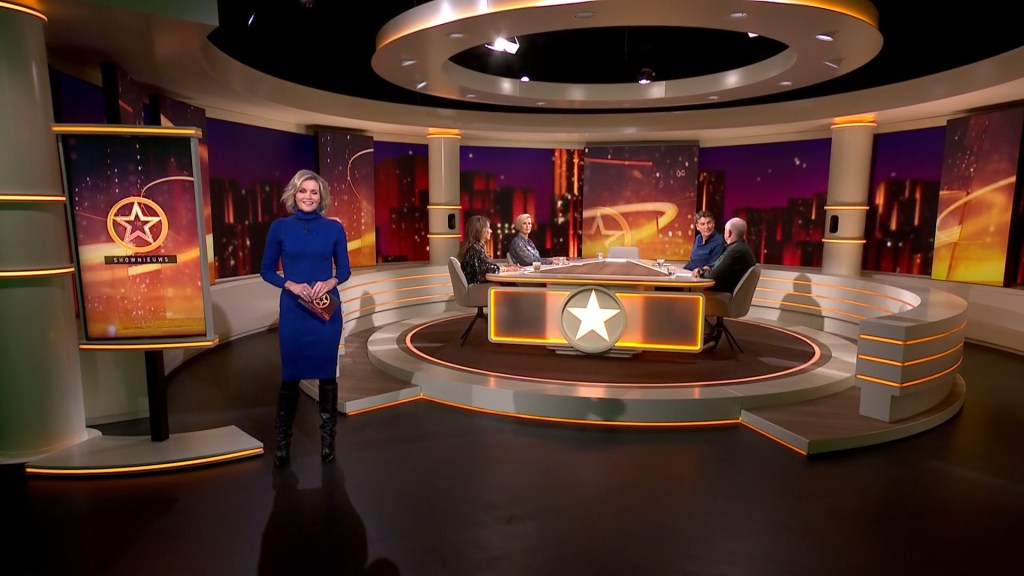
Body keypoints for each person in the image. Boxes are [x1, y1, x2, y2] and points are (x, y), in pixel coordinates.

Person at [260, 169, 351, 466]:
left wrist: (331, 281)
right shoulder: (280, 228)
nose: (308, 196)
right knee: (290, 377)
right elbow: (266, 270)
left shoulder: (334, 228)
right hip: (294, 310)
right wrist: (291, 284)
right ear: (294, 194)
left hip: (325, 311)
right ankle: (282, 444)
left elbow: (345, 270)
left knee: (327, 376)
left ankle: (328, 444)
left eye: (314, 192)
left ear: (321, 197)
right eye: (303, 191)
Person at [693, 217, 756, 346]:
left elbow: (712, 276)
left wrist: (701, 273)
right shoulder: (739, 247)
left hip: (724, 296)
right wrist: (704, 268)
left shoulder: (735, 251)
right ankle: (707, 331)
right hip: (727, 293)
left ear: (729, 233)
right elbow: (717, 264)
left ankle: (705, 332)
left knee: (688, 294)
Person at [458, 214, 500, 284]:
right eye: (488, 228)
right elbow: (487, 269)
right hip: (477, 287)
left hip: (474, 287)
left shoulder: (472, 246)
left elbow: (486, 266)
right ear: (480, 230)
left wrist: (503, 268)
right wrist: (502, 269)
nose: (491, 231)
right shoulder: (475, 249)